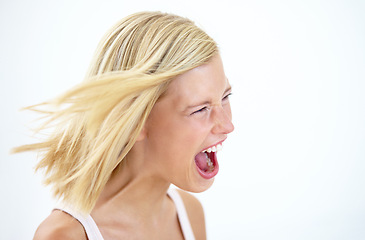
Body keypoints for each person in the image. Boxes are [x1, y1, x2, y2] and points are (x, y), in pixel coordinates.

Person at [13, 11, 234, 240]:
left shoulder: (188, 214)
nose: (228, 125)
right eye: (200, 109)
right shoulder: (66, 236)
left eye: (226, 96)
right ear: (135, 123)